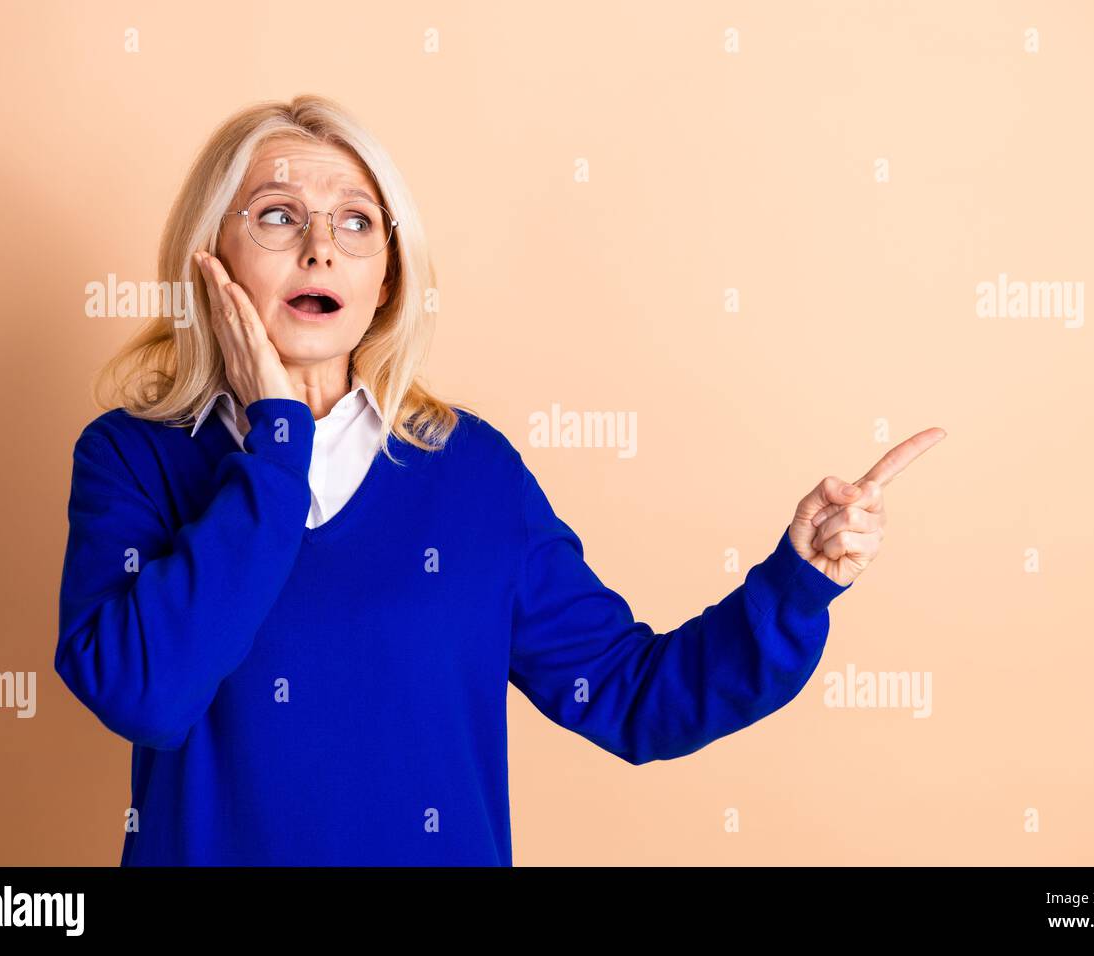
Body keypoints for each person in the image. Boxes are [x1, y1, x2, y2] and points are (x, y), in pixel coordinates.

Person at [55, 93, 945, 866]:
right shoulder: (131, 460)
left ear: (387, 277)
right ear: (210, 257)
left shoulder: (471, 472)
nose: (321, 247)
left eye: (356, 222)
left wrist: (795, 586)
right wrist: (277, 444)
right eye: (279, 215)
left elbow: (631, 696)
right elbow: (144, 695)